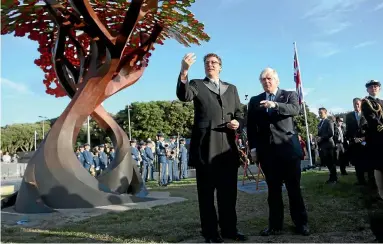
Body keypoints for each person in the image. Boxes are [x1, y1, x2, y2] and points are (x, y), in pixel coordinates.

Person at [176, 53, 246, 242]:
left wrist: (237, 123)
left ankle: (230, 230)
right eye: (207, 63)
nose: (210, 65)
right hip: (205, 147)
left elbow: (240, 113)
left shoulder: (231, 89)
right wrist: (184, 71)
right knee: (206, 195)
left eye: (214, 63)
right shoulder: (197, 84)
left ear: (220, 67)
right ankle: (210, 232)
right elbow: (184, 95)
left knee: (229, 194)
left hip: (228, 149)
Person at [247, 67, 309, 236]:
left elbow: (295, 110)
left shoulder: (289, 95)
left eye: (269, 78)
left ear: (277, 80)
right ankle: (275, 225)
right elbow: (251, 127)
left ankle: (301, 223)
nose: (267, 81)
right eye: (263, 79)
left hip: (288, 150)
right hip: (267, 152)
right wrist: (253, 148)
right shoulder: (254, 100)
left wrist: (275, 105)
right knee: (273, 191)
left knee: (293, 189)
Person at [361, 80, 383, 200]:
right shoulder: (366, 102)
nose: (373, 88)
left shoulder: (381, 102)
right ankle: (381, 192)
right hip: (376, 137)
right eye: (371, 87)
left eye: (376, 86)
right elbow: (372, 118)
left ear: (379, 89)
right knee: (378, 165)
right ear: (367, 90)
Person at [317, 107, 337, 183]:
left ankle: (334, 178)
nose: (319, 114)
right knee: (327, 162)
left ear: (325, 113)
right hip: (323, 145)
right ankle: (331, 177)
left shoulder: (329, 121)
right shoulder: (320, 123)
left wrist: (322, 138)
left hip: (329, 145)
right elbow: (320, 133)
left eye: (321, 113)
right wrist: (317, 137)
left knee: (331, 162)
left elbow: (331, 133)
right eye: (319, 113)